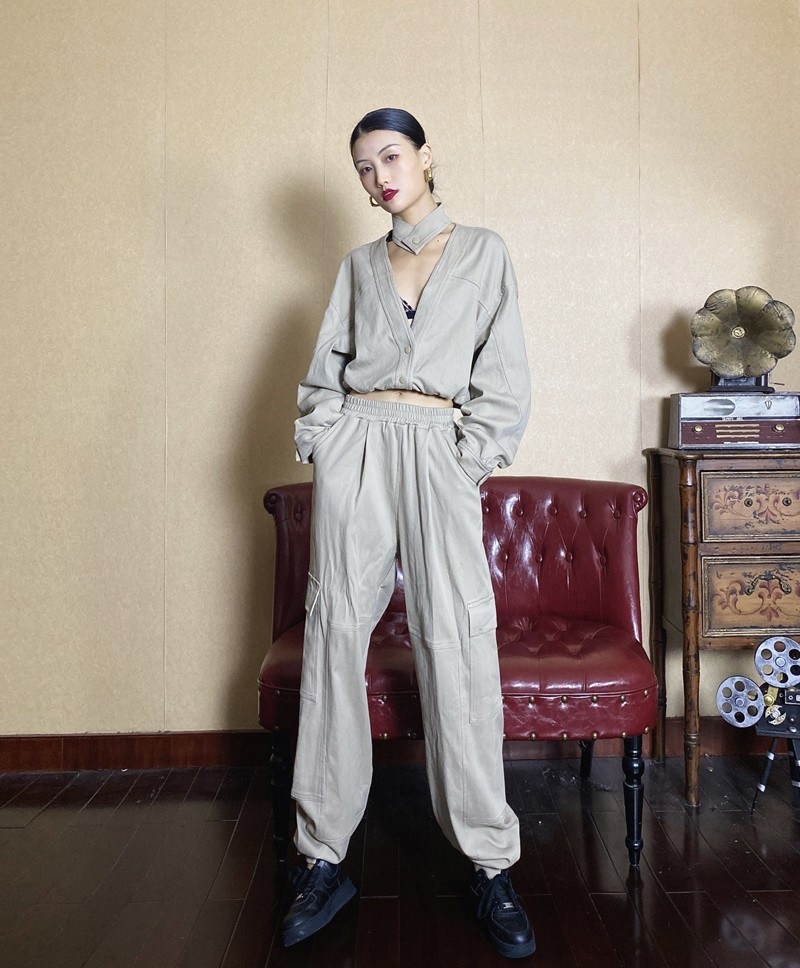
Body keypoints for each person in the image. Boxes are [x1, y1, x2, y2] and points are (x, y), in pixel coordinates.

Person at [282, 107, 534, 959]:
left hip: (438, 449)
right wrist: (325, 441)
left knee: (457, 637)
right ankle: (322, 856)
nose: (377, 176)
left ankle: (489, 862)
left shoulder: (484, 252)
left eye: (390, 157)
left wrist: (469, 458)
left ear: (426, 157)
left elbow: (504, 376)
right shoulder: (358, 266)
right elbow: (325, 370)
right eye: (363, 166)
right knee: (333, 635)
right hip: (358, 445)